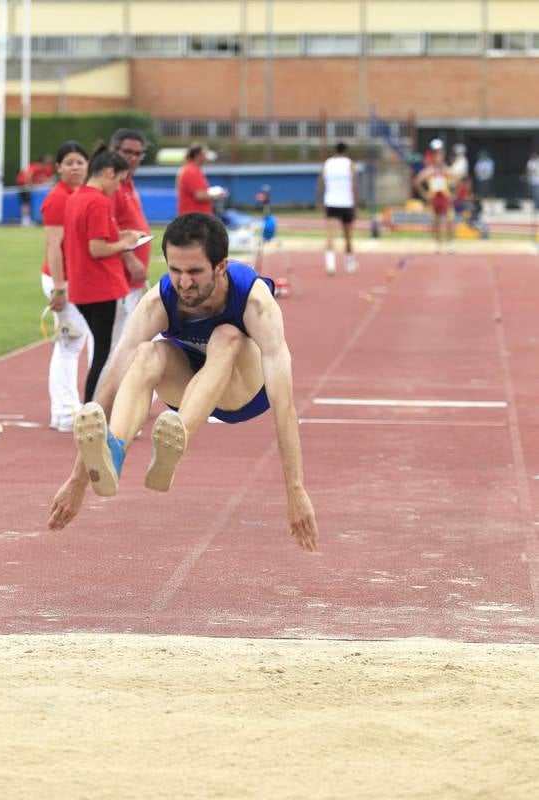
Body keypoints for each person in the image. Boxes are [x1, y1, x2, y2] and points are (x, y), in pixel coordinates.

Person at [47, 212, 319, 552]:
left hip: (243, 392)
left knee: (227, 334)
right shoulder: (159, 301)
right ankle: (114, 450)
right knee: (146, 353)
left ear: (221, 266)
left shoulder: (255, 303)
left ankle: (178, 435)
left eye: (194, 272)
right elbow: (113, 380)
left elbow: (284, 405)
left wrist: (295, 488)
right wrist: (78, 480)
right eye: (175, 270)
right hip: (187, 388)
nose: (184, 283)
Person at [63, 143, 145, 405]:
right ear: (109, 173)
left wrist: (122, 237)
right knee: (107, 355)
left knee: (103, 352)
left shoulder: (77, 196)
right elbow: (97, 248)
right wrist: (126, 244)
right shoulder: (98, 201)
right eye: (119, 181)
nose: (119, 188)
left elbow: (92, 238)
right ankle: (95, 410)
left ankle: (95, 409)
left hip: (84, 286)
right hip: (101, 288)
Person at [40, 141, 92, 433]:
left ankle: (64, 409)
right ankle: (64, 411)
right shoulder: (59, 198)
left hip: (75, 279)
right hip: (62, 279)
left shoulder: (80, 194)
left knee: (72, 343)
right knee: (69, 345)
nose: (75, 167)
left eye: (80, 162)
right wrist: (59, 288)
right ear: (59, 167)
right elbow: (54, 246)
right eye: (69, 162)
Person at [110, 128, 152, 321]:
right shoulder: (112, 185)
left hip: (132, 277)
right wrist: (131, 260)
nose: (133, 158)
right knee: (117, 342)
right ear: (114, 150)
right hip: (119, 275)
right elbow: (109, 227)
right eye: (128, 152)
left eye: (138, 154)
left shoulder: (128, 182)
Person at [317, 142, 358, 275]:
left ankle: (330, 265)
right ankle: (350, 264)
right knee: (348, 236)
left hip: (331, 202)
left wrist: (319, 200)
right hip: (346, 203)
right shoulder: (349, 163)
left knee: (330, 236)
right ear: (345, 151)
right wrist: (356, 204)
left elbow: (320, 183)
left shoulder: (327, 163)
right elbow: (354, 184)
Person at [413, 142, 455, 252]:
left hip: (445, 196)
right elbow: (417, 181)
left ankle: (450, 243)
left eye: (440, 156)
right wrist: (424, 194)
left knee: (449, 221)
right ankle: (437, 244)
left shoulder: (446, 169)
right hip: (434, 197)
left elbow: (458, 181)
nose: (438, 158)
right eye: (437, 156)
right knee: (435, 222)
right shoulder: (429, 170)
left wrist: (453, 194)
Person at [176, 143, 227, 215]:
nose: (206, 157)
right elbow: (199, 195)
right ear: (198, 156)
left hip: (196, 216)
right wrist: (217, 195)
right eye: (205, 154)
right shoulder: (191, 171)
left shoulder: (192, 170)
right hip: (194, 217)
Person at [16, 154, 55, 225]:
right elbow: (29, 175)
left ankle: (31, 219)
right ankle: (25, 220)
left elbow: (45, 178)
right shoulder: (36, 166)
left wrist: (48, 182)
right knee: (25, 202)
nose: (49, 163)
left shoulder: (46, 168)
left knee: (29, 202)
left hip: (31, 187)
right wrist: (28, 184)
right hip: (23, 185)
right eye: (47, 161)